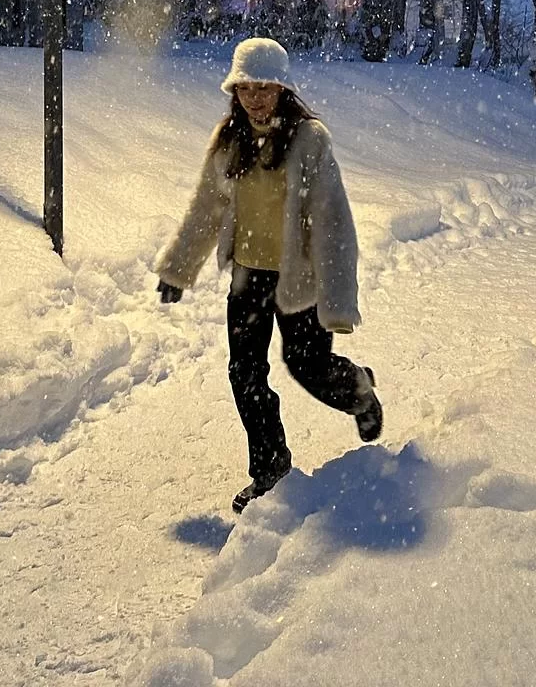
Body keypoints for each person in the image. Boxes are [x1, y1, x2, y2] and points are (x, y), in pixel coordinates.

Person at [153, 37, 383, 513]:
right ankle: (271, 468)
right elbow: (206, 210)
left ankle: (358, 390)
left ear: (283, 89)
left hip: (301, 281)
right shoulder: (228, 143)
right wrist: (178, 268)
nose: (255, 98)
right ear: (234, 91)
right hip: (248, 278)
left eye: (265, 87)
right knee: (245, 373)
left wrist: (338, 302)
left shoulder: (309, 140)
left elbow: (334, 223)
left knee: (308, 366)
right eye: (245, 88)